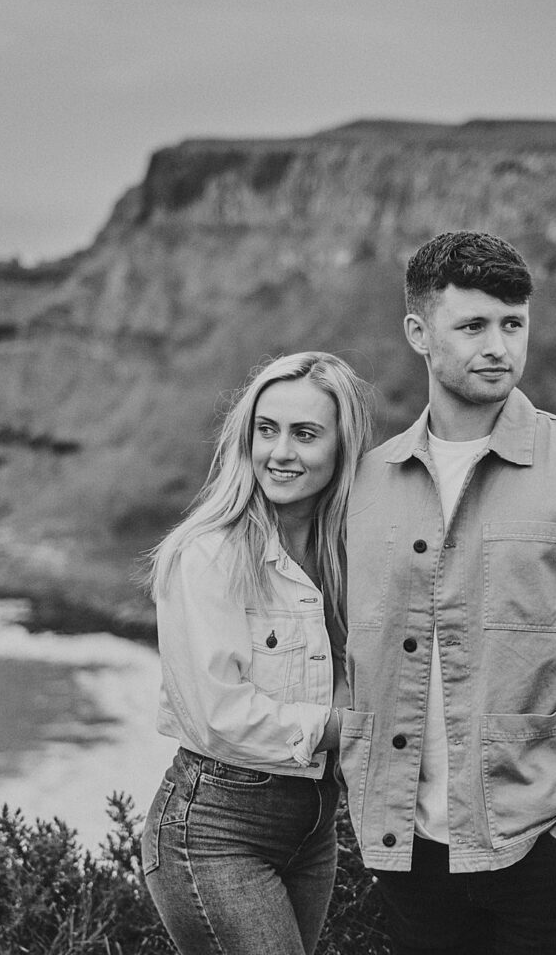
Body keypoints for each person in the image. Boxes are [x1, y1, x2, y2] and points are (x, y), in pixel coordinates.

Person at [340, 231, 556, 954]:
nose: (498, 345)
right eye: (472, 326)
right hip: (408, 850)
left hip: (550, 845)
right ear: (418, 332)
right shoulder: (366, 485)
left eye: (513, 324)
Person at [140, 351, 375, 955]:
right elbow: (219, 717)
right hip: (216, 830)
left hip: (314, 825)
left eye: (305, 434)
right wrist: (354, 728)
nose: (280, 452)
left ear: (342, 447)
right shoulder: (207, 556)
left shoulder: (351, 555)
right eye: (266, 430)